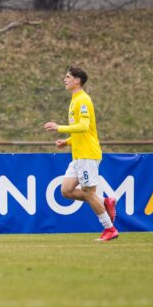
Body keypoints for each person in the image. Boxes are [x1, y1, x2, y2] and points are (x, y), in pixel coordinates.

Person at [44, 66, 118, 242]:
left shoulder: (83, 100)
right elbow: (82, 130)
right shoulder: (75, 99)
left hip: (87, 155)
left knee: (88, 193)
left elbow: (84, 126)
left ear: (77, 81)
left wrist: (59, 128)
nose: (65, 79)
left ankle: (110, 229)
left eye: (68, 77)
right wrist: (67, 141)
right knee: (66, 191)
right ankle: (105, 202)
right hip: (78, 155)